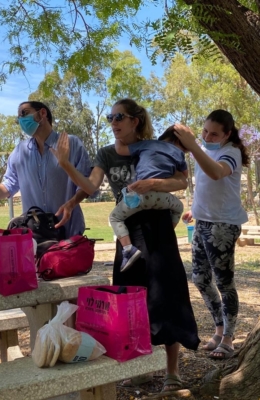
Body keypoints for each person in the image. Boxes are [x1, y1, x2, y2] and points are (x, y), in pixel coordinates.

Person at [53, 98, 200, 392]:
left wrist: (154, 185)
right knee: (130, 301)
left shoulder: (156, 147)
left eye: (119, 116)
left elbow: (180, 182)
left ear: (135, 120)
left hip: (158, 228)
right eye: (110, 117)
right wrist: (66, 164)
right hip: (128, 234)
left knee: (167, 296)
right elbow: (91, 186)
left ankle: (172, 371)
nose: (113, 122)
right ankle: (139, 367)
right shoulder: (107, 154)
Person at [174, 109, 249, 360]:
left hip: (223, 226)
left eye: (214, 133)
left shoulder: (231, 152)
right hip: (203, 222)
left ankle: (229, 338)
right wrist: (195, 209)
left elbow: (216, 173)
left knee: (224, 283)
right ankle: (219, 329)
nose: (207, 136)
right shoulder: (205, 149)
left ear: (227, 134)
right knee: (200, 279)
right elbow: (206, 185)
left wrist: (193, 144)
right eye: (205, 130)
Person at [0, 101, 92, 238]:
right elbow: (9, 184)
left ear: (42, 113)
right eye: (19, 118)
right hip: (35, 237)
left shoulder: (72, 144)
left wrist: (72, 203)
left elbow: (87, 184)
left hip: (69, 234)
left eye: (24, 113)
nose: (21, 120)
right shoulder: (19, 151)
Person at [110, 126, 188, 272]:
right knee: (179, 208)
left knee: (115, 217)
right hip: (162, 197)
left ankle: (128, 249)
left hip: (142, 196)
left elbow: (120, 149)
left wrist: (118, 135)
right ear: (179, 141)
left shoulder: (147, 144)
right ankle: (168, 231)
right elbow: (185, 175)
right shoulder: (179, 153)